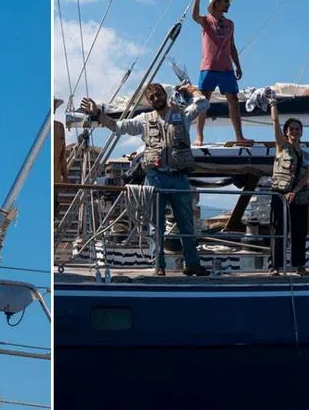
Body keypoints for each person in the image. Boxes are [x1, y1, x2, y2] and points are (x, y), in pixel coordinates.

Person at [80, 83, 211, 276]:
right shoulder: (144, 120)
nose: (157, 99)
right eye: (152, 97)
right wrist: (98, 113)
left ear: (164, 95)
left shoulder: (182, 114)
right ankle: (159, 265)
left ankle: (192, 263)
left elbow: (202, 104)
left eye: (159, 95)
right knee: (155, 225)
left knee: (186, 224)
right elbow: (118, 127)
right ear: (149, 101)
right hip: (156, 177)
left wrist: (191, 90)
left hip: (179, 177)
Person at [191, 0, 252, 148]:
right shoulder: (206, 20)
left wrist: (238, 66)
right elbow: (194, 16)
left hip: (227, 69)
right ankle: (199, 136)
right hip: (209, 67)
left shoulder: (230, 24)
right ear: (216, 3)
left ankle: (239, 136)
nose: (228, 4)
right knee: (203, 102)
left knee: (233, 101)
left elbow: (232, 46)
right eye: (225, 1)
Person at [269, 99, 309, 276]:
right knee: (278, 230)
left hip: (298, 196)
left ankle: (299, 265)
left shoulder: (306, 154)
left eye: (297, 129)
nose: (295, 131)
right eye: (292, 128)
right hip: (280, 194)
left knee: (299, 231)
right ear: (286, 132)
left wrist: (294, 192)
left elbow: (305, 176)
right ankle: (275, 267)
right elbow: (275, 123)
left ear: (301, 132)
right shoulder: (282, 147)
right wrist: (273, 105)